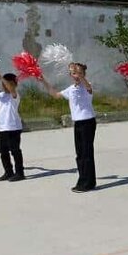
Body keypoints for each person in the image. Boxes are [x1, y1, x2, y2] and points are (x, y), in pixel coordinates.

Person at [41, 63, 97, 192]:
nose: (76, 75)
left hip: (88, 122)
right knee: (79, 154)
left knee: (86, 153)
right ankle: (82, 180)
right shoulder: (71, 89)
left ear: (83, 74)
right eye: (73, 73)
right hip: (77, 123)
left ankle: (88, 182)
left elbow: (87, 86)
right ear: (70, 75)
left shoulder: (87, 86)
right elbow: (55, 95)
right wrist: (43, 80)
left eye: (79, 73)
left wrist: (80, 75)